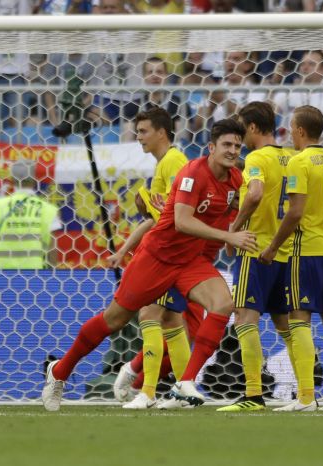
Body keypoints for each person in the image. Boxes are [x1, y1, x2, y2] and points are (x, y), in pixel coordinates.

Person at [42, 118, 257, 412]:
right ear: (211, 147)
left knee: (221, 305)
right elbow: (181, 221)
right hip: (157, 258)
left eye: (237, 145)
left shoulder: (234, 179)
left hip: (190, 261)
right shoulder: (191, 172)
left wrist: (241, 220)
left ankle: (184, 382)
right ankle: (61, 371)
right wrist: (228, 235)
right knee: (114, 320)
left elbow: (234, 204)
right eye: (226, 145)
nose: (233, 151)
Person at [259, 105, 323, 412]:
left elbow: (295, 211)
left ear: (300, 131)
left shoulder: (299, 163)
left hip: (306, 252)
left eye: (291, 128)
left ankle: (305, 397)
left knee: (299, 319)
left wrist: (274, 246)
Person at [105, 107, 195, 408]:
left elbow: (179, 215)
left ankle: (148, 393)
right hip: (169, 251)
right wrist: (123, 251)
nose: (138, 137)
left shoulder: (175, 162)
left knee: (149, 315)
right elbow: (155, 218)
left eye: (143, 131)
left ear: (161, 132)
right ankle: (184, 391)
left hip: (168, 253)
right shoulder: (164, 165)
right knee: (171, 320)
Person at [216, 101, 298, 413]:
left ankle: (253, 394)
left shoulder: (256, 158)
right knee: (286, 323)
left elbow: (254, 193)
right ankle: (306, 392)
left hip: (254, 246)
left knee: (245, 318)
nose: (240, 139)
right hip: (284, 250)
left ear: (252, 128)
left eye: (242, 130)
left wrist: (234, 229)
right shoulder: (292, 157)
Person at [0, 159, 62, 269]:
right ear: (34, 180)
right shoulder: (48, 209)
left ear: (11, 179)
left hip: (1, 273)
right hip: (34, 273)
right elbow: (52, 249)